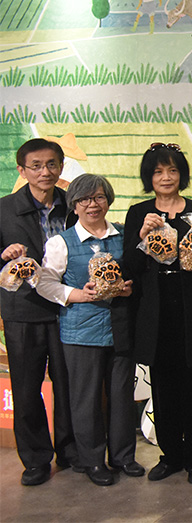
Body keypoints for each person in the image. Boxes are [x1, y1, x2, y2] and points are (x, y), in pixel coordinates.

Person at [36, 174, 141, 486]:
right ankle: (92, 460)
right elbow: (44, 282)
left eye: (99, 197)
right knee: (86, 399)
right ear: (74, 204)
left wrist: (128, 288)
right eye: (84, 199)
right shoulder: (61, 242)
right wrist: (76, 294)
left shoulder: (123, 235)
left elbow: (138, 274)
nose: (92, 205)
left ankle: (123, 457)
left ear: (108, 200)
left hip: (120, 329)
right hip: (81, 332)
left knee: (122, 395)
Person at [123, 143, 192, 485]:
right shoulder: (138, 212)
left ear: (182, 175)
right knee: (163, 389)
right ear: (149, 177)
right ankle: (171, 456)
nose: (166, 177)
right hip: (156, 311)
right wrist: (142, 236)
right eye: (159, 171)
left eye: (173, 170)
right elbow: (131, 267)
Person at [0, 138, 78, 486]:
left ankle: (71, 450)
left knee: (69, 385)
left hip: (66, 309)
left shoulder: (74, 205)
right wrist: (4, 255)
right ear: (22, 170)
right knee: (26, 388)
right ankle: (34, 459)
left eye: (51, 164)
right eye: (36, 166)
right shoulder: (4, 209)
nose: (44, 172)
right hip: (23, 312)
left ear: (60, 167)